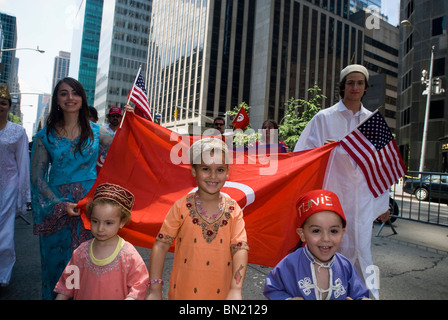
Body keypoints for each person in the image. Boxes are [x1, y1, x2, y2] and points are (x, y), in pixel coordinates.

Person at [293, 64, 389, 299]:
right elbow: (302, 154)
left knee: (362, 250)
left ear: (365, 87)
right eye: (350, 82)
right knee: (329, 249)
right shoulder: (323, 118)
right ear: (342, 86)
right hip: (330, 195)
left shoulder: (373, 120)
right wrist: (323, 150)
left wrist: (384, 203)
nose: (354, 87)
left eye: (359, 83)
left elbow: (383, 165)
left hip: (363, 198)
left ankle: (368, 295)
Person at [30, 77, 114, 299]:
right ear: (57, 99)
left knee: (90, 269)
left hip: (91, 209)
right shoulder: (43, 136)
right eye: (63, 93)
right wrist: (58, 204)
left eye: (75, 93)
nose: (70, 98)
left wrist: (134, 119)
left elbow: (127, 149)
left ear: (82, 99)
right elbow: (37, 178)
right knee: (57, 270)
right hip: (56, 209)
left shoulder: (98, 132)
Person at [147, 138, 249, 300]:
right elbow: (161, 244)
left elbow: (240, 248)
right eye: (206, 169)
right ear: (194, 170)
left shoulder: (233, 209)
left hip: (222, 294)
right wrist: (154, 288)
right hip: (183, 292)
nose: (213, 176)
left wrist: (236, 289)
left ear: (228, 172)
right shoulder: (182, 207)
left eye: (220, 170)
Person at [263, 189, 370, 300]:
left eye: (333, 231)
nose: (326, 239)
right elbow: (272, 289)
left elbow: (359, 294)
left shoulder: (345, 266)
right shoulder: (289, 264)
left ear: (342, 233)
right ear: (302, 234)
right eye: (316, 231)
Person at [54, 183, 149, 300]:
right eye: (95, 221)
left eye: (108, 223)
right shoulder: (81, 252)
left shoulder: (128, 255)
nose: (100, 228)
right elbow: (67, 286)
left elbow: (139, 285)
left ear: (122, 222)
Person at [0, 84, 31, 289]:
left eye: (3, 103)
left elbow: (23, 163)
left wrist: (24, 195)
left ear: (9, 106)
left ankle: (2, 274)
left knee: (4, 232)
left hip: (7, 187)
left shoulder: (18, 132)